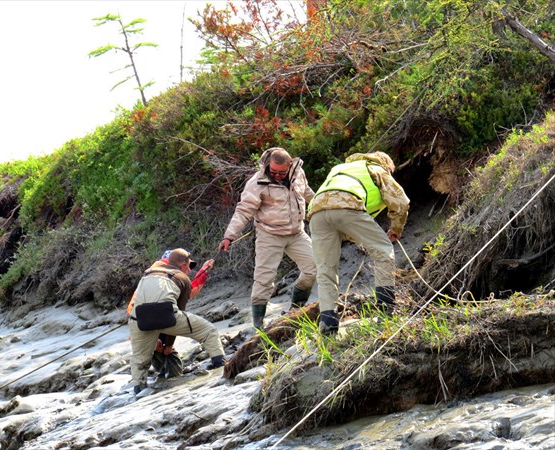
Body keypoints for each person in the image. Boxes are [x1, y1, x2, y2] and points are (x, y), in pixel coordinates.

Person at [307, 151, 410, 334]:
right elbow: (400, 202)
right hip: (346, 206)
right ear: (387, 165)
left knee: (325, 269)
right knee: (384, 250)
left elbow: (338, 216)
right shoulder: (376, 168)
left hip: (317, 214)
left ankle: (328, 323)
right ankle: (386, 310)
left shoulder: (340, 169)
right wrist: (396, 229)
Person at [218, 147, 317, 328]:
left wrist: (321, 203)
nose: (278, 175)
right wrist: (229, 236)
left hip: (297, 233)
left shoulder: (298, 173)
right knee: (264, 280)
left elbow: (307, 192)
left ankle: (296, 309)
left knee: (313, 268)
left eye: (282, 172)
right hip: (269, 235)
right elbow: (244, 210)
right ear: (267, 165)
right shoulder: (257, 182)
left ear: (290, 166)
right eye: (274, 172)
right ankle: (258, 324)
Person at [126, 248, 225, 394]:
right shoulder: (182, 277)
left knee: (139, 359)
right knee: (209, 331)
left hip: (138, 319)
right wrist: (169, 345)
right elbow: (178, 313)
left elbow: (135, 305)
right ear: (183, 264)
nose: (190, 270)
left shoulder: (148, 273)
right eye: (189, 266)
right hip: (165, 315)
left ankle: (138, 389)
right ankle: (221, 368)